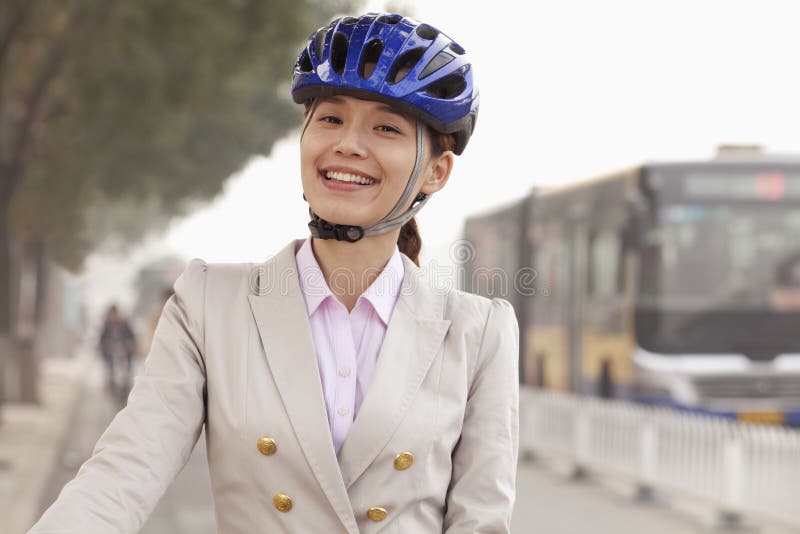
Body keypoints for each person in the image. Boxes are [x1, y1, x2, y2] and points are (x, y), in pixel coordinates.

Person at [29, 12, 519, 533]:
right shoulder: (209, 305)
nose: (349, 144)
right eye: (331, 119)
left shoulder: (478, 333)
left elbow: (481, 522)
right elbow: (122, 476)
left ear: (435, 172)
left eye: (385, 128)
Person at [98, 304, 137, 403]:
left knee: (127, 374)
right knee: (110, 372)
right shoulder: (106, 326)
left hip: (125, 354)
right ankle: (112, 387)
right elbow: (101, 341)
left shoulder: (125, 325)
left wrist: (129, 346)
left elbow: (132, 339)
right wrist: (106, 347)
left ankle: (126, 389)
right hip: (111, 355)